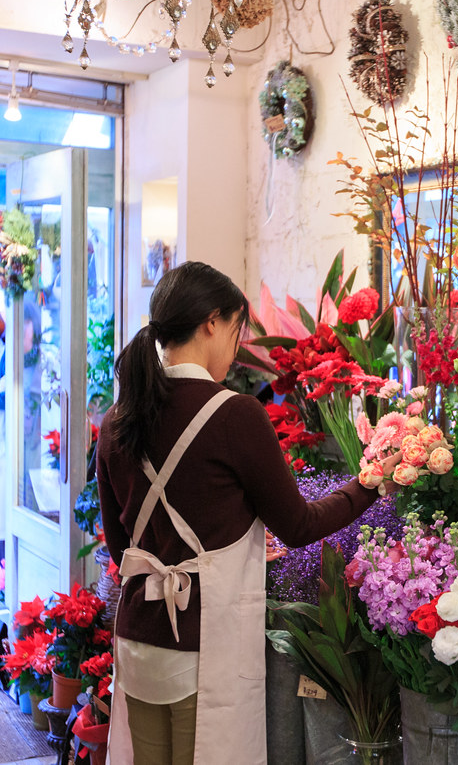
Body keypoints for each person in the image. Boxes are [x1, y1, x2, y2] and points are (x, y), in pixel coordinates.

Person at [96, 261, 393, 765]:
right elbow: (298, 526)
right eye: (237, 331)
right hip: (202, 650)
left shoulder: (118, 418)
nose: (235, 348)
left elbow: (122, 546)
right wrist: (367, 485)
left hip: (139, 642)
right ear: (212, 322)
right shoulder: (234, 414)